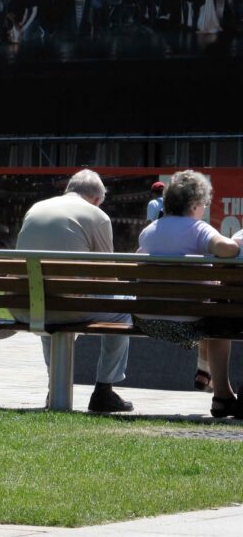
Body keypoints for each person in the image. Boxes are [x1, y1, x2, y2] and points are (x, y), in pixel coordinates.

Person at [15, 170, 132, 413]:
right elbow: (106, 277)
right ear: (98, 199)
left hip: (25, 308)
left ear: (67, 189)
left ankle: (55, 386)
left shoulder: (35, 209)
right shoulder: (97, 216)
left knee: (45, 299)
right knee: (123, 309)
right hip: (68, 310)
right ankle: (104, 390)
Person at [137, 170, 242, 418]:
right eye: (204, 204)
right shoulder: (198, 229)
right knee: (218, 319)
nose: (204, 209)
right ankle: (222, 395)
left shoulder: (150, 230)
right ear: (194, 205)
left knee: (208, 309)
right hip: (187, 324)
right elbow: (226, 250)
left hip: (147, 321)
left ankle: (205, 373)